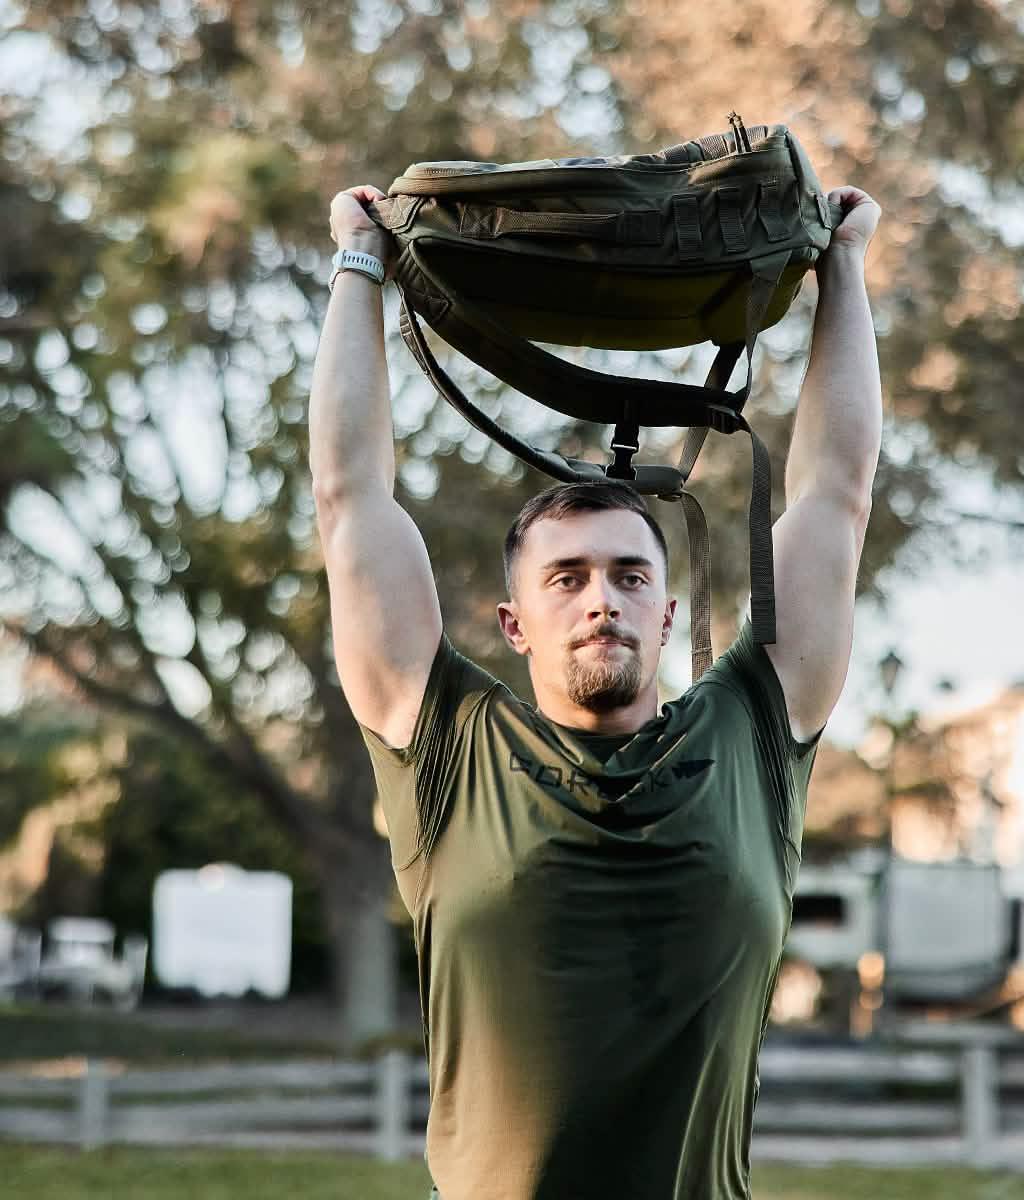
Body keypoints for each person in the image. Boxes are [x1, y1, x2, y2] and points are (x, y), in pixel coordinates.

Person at [309, 180, 882, 1200]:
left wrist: (846, 265)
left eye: (630, 575)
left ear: (667, 615)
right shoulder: (445, 746)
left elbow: (835, 496)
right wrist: (359, 261)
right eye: (566, 580)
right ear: (515, 622)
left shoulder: (754, 729)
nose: (601, 601)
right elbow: (351, 498)